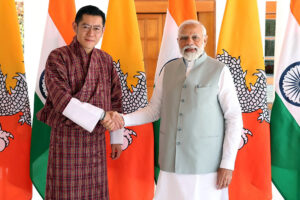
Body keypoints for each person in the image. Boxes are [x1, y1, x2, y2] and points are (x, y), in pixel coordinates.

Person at [104, 20, 243, 200]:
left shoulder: (220, 70)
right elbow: (154, 110)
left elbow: (234, 118)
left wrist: (228, 163)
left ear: (205, 40)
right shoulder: (168, 70)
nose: (190, 42)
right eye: (184, 38)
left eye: (195, 37)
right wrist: (122, 120)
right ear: (177, 41)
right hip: (171, 162)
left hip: (206, 165)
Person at [36, 5, 124, 200]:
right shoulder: (57, 57)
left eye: (96, 28)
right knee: (64, 194)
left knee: (96, 194)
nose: (91, 33)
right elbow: (62, 101)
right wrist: (101, 115)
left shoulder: (106, 60)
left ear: (103, 30)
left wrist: (116, 138)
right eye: (85, 26)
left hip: (96, 144)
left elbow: (115, 100)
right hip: (67, 142)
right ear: (75, 26)